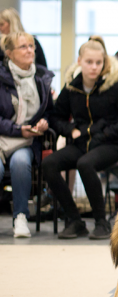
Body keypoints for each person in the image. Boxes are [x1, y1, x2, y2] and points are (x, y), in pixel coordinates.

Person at [42, 36, 118, 240]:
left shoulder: (116, 86)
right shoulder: (72, 87)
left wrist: (105, 133)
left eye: (99, 62)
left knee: (84, 164)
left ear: (104, 62)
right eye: (89, 62)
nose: (94, 67)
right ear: (79, 61)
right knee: (49, 164)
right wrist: (70, 130)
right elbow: (55, 117)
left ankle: (101, 222)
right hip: (80, 143)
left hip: (110, 144)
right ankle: (74, 220)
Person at [0, 32, 54, 238]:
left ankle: (20, 217)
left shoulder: (42, 77)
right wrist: (16, 129)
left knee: (20, 163)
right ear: (9, 54)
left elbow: (50, 111)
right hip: (4, 136)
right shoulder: (1, 77)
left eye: (31, 46)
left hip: (27, 140)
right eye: (23, 47)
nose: (30, 50)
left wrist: (44, 122)